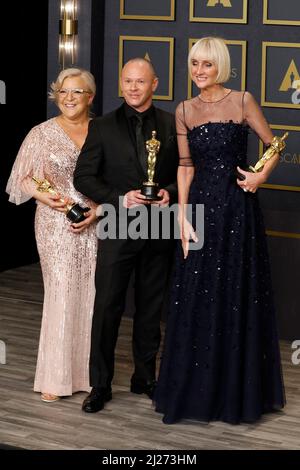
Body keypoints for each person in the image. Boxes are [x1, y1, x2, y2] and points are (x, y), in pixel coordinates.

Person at [154, 37, 285, 424]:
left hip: (237, 210)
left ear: (220, 67)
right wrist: (180, 214)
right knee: (196, 295)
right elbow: (185, 165)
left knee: (235, 293)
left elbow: (273, 144)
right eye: (194, 64)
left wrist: (260, 176)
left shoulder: (243, 100)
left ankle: (235, 393)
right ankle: (195, 392)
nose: (198, 72)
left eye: (207, 65)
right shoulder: (183, 110)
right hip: (199, 209)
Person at [73, 58, 179, 413]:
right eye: (127, 81)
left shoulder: (171, 123)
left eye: (140, 81)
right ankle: (100, 384)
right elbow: (83, 177)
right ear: (121, 84)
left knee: (151, 308)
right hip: (119, 224)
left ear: (155, 84)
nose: (133, 87)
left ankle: (144, 378)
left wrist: (168, 191)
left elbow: (185, 171)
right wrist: (119, 199)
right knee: (106, 308)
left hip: (159, 226)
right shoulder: (102, 126)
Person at [6, 68, 99, 402]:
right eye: (63, 92)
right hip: (55, 222)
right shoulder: (41, 133)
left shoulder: (101, 131)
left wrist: (98, 211)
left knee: (90, 294)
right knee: (61, 293)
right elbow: (21, 178)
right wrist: (43, 195)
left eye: (76, 92)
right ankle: (55, 379)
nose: (69, 98)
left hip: (95, 222)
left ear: (90, 96)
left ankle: (88, 377)